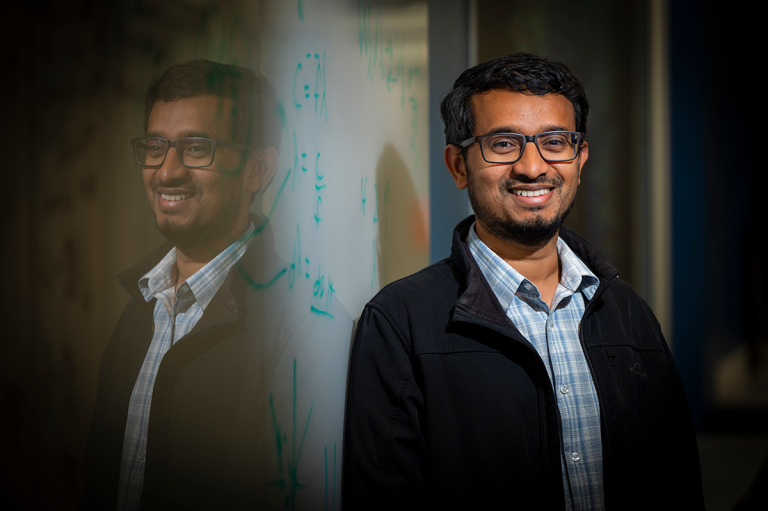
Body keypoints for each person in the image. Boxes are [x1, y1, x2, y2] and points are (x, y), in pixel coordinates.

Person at [343, 53, 704, 510]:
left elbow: (677, 485)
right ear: (459, 165)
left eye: (555, 142)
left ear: (580, 157)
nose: (533, 167)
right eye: (503, 143)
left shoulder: (628, 313)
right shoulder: (402, 324)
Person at [81, 60, 350, 510]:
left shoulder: (309, 324)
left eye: (196, 148)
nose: (166, 172)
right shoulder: (143, 301)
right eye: (155, 146)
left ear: (258, 170)